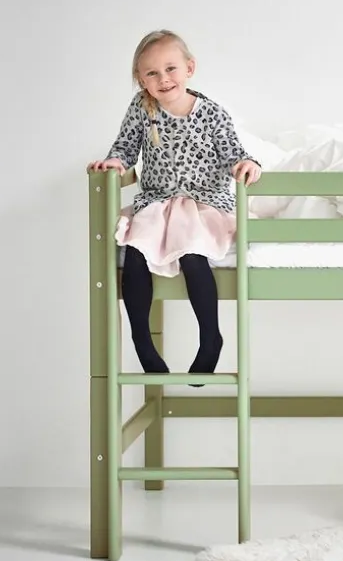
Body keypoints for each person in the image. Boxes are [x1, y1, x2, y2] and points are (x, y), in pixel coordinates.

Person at [87, 30, 261, 378]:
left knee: (192, 253)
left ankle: (210, 338)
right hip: (157, 202)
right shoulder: (143, 108)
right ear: (141, 80)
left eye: (170, 69)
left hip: (204, 202)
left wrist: (247, 164)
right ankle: (141, 340)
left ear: (189, 68)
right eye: (152, 73)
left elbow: (234, 153)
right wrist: (115, 163)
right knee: (135, 250)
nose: (163, 79)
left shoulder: (212, 113)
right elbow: (125, 147)